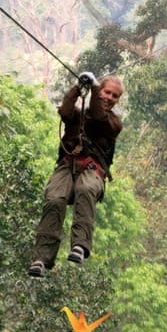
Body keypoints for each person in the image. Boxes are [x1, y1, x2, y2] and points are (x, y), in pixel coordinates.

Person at [28, 72, 124, 278]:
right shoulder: (77, 115)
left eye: (115, 96)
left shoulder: (113, 123)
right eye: (107, 92)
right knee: (54, 199)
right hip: (66, 166)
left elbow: (98, 115)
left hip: (92, 170)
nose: (109, 98)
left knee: (86, 189)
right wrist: (77, 88)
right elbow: (64, 111)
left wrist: (95, 88)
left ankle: (80, 245)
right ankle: (42, 259)